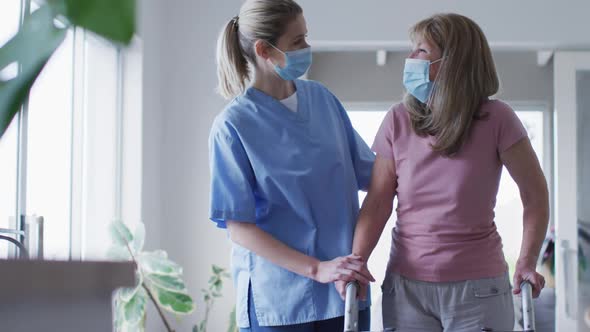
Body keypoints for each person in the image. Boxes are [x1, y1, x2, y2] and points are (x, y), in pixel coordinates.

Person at [343, 13, 550, 332]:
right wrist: (357, 260)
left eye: (422, 51)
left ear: (454, 62)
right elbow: (378, 202)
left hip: (479, 289)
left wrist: (526, 261)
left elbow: (535, 196)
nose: (410, 58)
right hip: (408, 288)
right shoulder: (398, 120)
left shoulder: (497, 119)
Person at [209, 0, 375, 331]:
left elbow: (375, 176)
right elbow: (239, 226)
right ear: (264, 50)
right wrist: (317, 269)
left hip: (343, 290)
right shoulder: (233, 125)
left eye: (306, 38)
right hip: (279, 302)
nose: (307, 48)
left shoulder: (323, 100)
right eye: (297, 41)